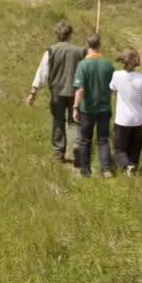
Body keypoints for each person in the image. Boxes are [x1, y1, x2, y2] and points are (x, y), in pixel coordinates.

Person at [27, 21, 88, 164]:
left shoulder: (51, 51)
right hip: (75, 93)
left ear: (57, 35)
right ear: (70, 35)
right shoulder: (80, 51)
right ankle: (76, 149)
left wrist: (33, 92)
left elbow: (41, 74)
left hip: (57, 93)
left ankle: (58, 153)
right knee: (75, 122)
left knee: (58, 121)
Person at [71, 33, 115, 177]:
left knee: (85, 140)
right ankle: (106, 169)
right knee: (103, 140)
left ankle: (85, 170)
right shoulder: (108, 65)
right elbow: (113, 88)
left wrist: (75, 107)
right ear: (99, 45)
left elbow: (80, 89)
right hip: (104, 108)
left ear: (87, 45)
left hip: (87, 109)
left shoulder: (83, 65)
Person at [108, 47, 142, 175]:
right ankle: (133, 167)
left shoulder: (117, 75)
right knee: (135, 148)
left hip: (122, 120)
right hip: (138, 119)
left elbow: (114, 92)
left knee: (119, 149)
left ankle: (127, 166)